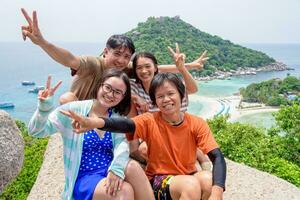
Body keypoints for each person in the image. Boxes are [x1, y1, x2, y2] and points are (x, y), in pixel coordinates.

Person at [62, 72, 227, 200]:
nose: (166, 99)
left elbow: (217, 157)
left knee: (208, 180)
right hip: (159, 181)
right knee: (190, 186)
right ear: (155, 101)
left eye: (171, 93)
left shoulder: (196, 123)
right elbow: (126, 125)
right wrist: (95, 122)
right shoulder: (150, 120)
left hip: (188, 175)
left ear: (181, 95)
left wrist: (217, 192)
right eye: (160, 96)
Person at [20, 8, 208, 105]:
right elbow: (69, 59)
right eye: (117, 54)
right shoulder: (94, 64)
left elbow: (153, 69)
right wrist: (43, 42)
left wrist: (188, 66)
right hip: (81, 112)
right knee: (66, 98)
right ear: (106, 51)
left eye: (126, 56)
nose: (121, 60)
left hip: (103, 114)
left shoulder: (122, 69)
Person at [28, 69, 154, 200]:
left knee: (133, 166)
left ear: (122, 97)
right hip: (84, 176)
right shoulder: (75, 110)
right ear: (99, 85)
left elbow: (122, 145)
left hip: (109, 169)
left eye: (117, 92)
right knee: (124, 191)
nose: (111, 94)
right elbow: (37, 131)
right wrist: (44, 108)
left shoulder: (115, 118)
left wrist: (116, 169)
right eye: (108, 88)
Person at [130, 44, 212, 171]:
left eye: (147, 66)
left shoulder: (166, 85)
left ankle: (199, 158)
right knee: (144, 149)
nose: (144, 71)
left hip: (178, 129)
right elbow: (121, 89)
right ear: (134, 70)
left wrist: (182, 68)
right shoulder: (135, 87)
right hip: (154, 133)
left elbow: (193, 89)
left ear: (156, 68)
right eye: (139, 68)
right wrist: (135, 97)